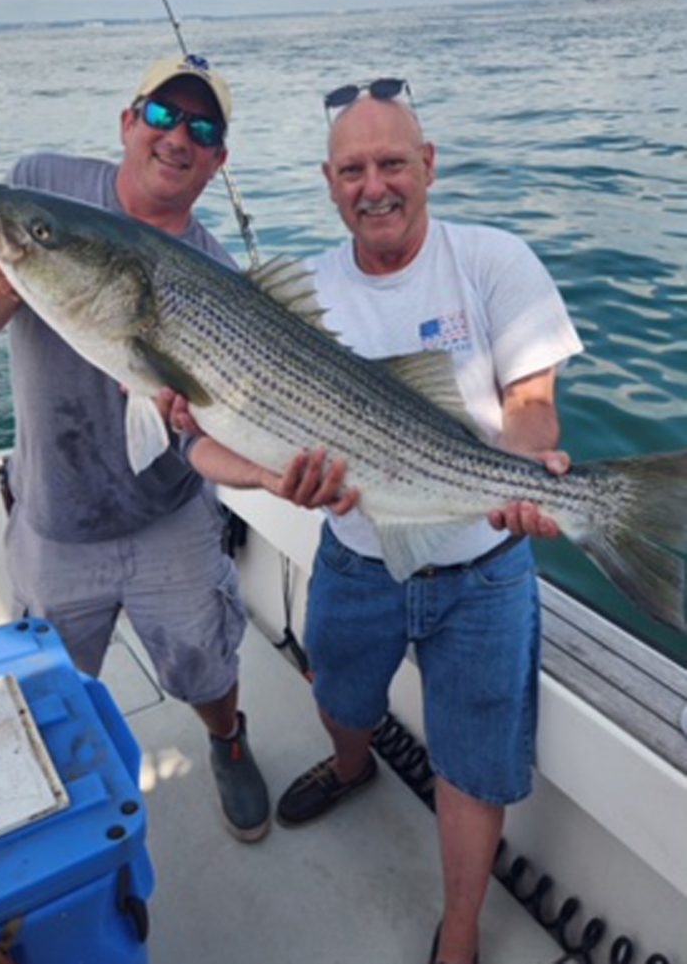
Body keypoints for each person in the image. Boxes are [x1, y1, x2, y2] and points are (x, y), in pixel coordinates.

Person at [168, 78, 582, 964]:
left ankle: (460, 935)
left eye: (392, 162)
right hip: (357, 554)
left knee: (473, 760)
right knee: (339, 694)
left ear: (428, 166)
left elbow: (532, 404)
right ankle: (353, 764)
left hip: (486, 566)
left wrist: (521, 470)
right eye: (353, 169)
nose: (375, 185)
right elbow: (220, 437)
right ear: (328, 183)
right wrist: (284, 481)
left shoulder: (495, 260)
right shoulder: (297, 293)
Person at [0, 53, 347, 846]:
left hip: (169, 511)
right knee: (56, 685)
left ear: (218, 160)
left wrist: (272, 472)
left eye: (201, 127)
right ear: (128, 122)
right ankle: (56, 797)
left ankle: (227, 739)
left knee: (204, 657)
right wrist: (22, 255)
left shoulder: (215, 269)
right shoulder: (43, 187)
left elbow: (205, 430)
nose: (176, 136)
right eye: (161, 115)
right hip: (56, 515)